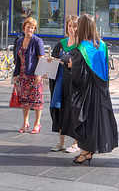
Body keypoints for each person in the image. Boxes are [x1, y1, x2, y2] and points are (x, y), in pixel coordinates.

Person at [63, 14, 118, 163]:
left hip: (87, 92)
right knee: (97, 121)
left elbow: (79, 76)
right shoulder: (102, 45)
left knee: (86, 120)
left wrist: (70, 65)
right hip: (101, 91)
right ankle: (89, 150)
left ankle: (86, 152)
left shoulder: (82, 48)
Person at [48, 15, 80, 153]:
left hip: (73, 84)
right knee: (59, 110)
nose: (71, 29)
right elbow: (55, 61)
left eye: (74, 26)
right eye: (69, 26)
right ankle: (61, 142)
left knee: (74, 111)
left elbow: (81, 65)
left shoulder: (81, 45)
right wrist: (51, 61)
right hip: (60, 82)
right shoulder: (61, 44)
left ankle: (76, 143)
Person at [13, 17, 45, 134]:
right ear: (24, 27)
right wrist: (16, 74)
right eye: (28, 27)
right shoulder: (19, 41)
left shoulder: (37, 41)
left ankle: (37, 123)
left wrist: (39, 75)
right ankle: (25, 122)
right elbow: (18, 59)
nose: (30, 30)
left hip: (34, 75)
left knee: (37, 100)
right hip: (23, 75)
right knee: (24, 100)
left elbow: (41, 59)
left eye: (32, 28)